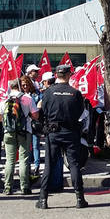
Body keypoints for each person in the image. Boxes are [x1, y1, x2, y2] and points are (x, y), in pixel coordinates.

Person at [36, 65, 88, 209]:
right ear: (69, 75)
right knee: (74, 165)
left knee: (49, 165)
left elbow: (43, 111)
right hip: (70, 132)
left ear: (56, 75)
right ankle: (79, 198)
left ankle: (43, 199)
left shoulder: (48, 92)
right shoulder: (75, 93)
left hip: (53, 132)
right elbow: (80, 112)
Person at [0, 79, 39, 195]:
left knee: (10, 160)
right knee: (24, 160)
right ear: (20, 86)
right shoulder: (27, 98)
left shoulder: (4, 100)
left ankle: (7, 187)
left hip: (8, 132)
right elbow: (35, 115)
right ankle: (25, 186)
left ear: (10, 87)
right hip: (24, 132)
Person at [20, 75, 42, 176]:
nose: (25, 86)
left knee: (35, 145)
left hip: (34, 123)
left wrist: (39, 105)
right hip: (23, 125)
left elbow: (41, 104)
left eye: (26, 84)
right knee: (26, 148)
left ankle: (37, 166)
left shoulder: (36, 94)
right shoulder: (19, 95)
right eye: (23, 85)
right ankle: (27, 167)